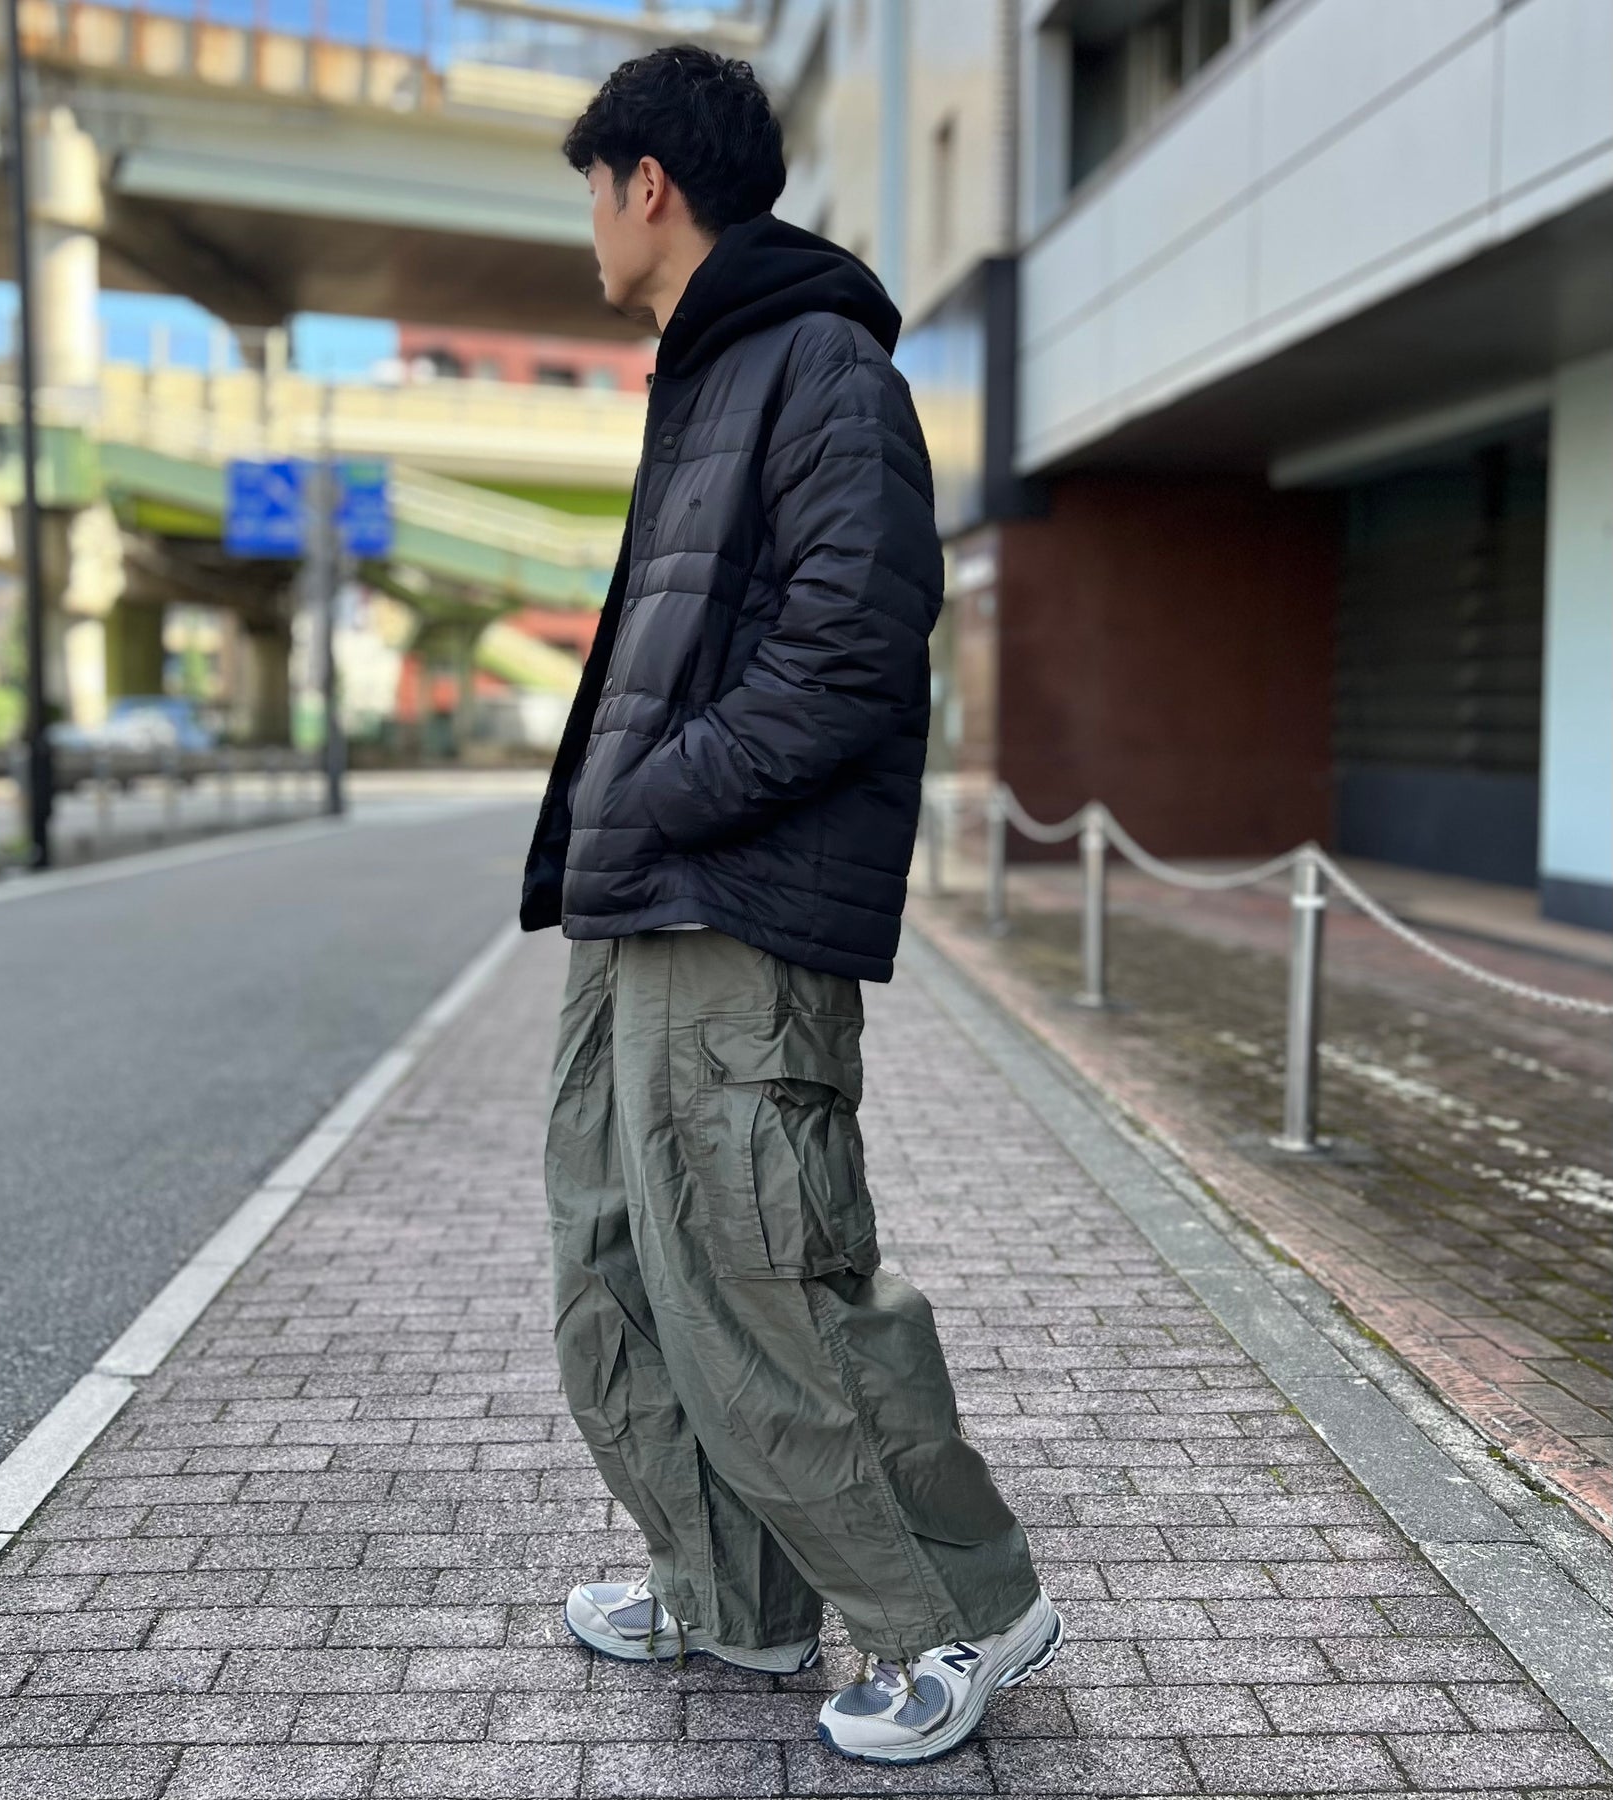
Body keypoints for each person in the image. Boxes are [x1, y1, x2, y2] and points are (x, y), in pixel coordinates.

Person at [518, 44, 1059, 1767]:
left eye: (593, 192)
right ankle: (730, 1595)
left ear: (647, 184)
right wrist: (618, 825)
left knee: (771, 1274)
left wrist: (662, 788)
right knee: (619, 1255)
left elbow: (850, 646)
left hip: (735, 897)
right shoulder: (707, 374)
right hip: (641, 902)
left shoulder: (820, 364)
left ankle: (959, 1615)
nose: (590, 228)